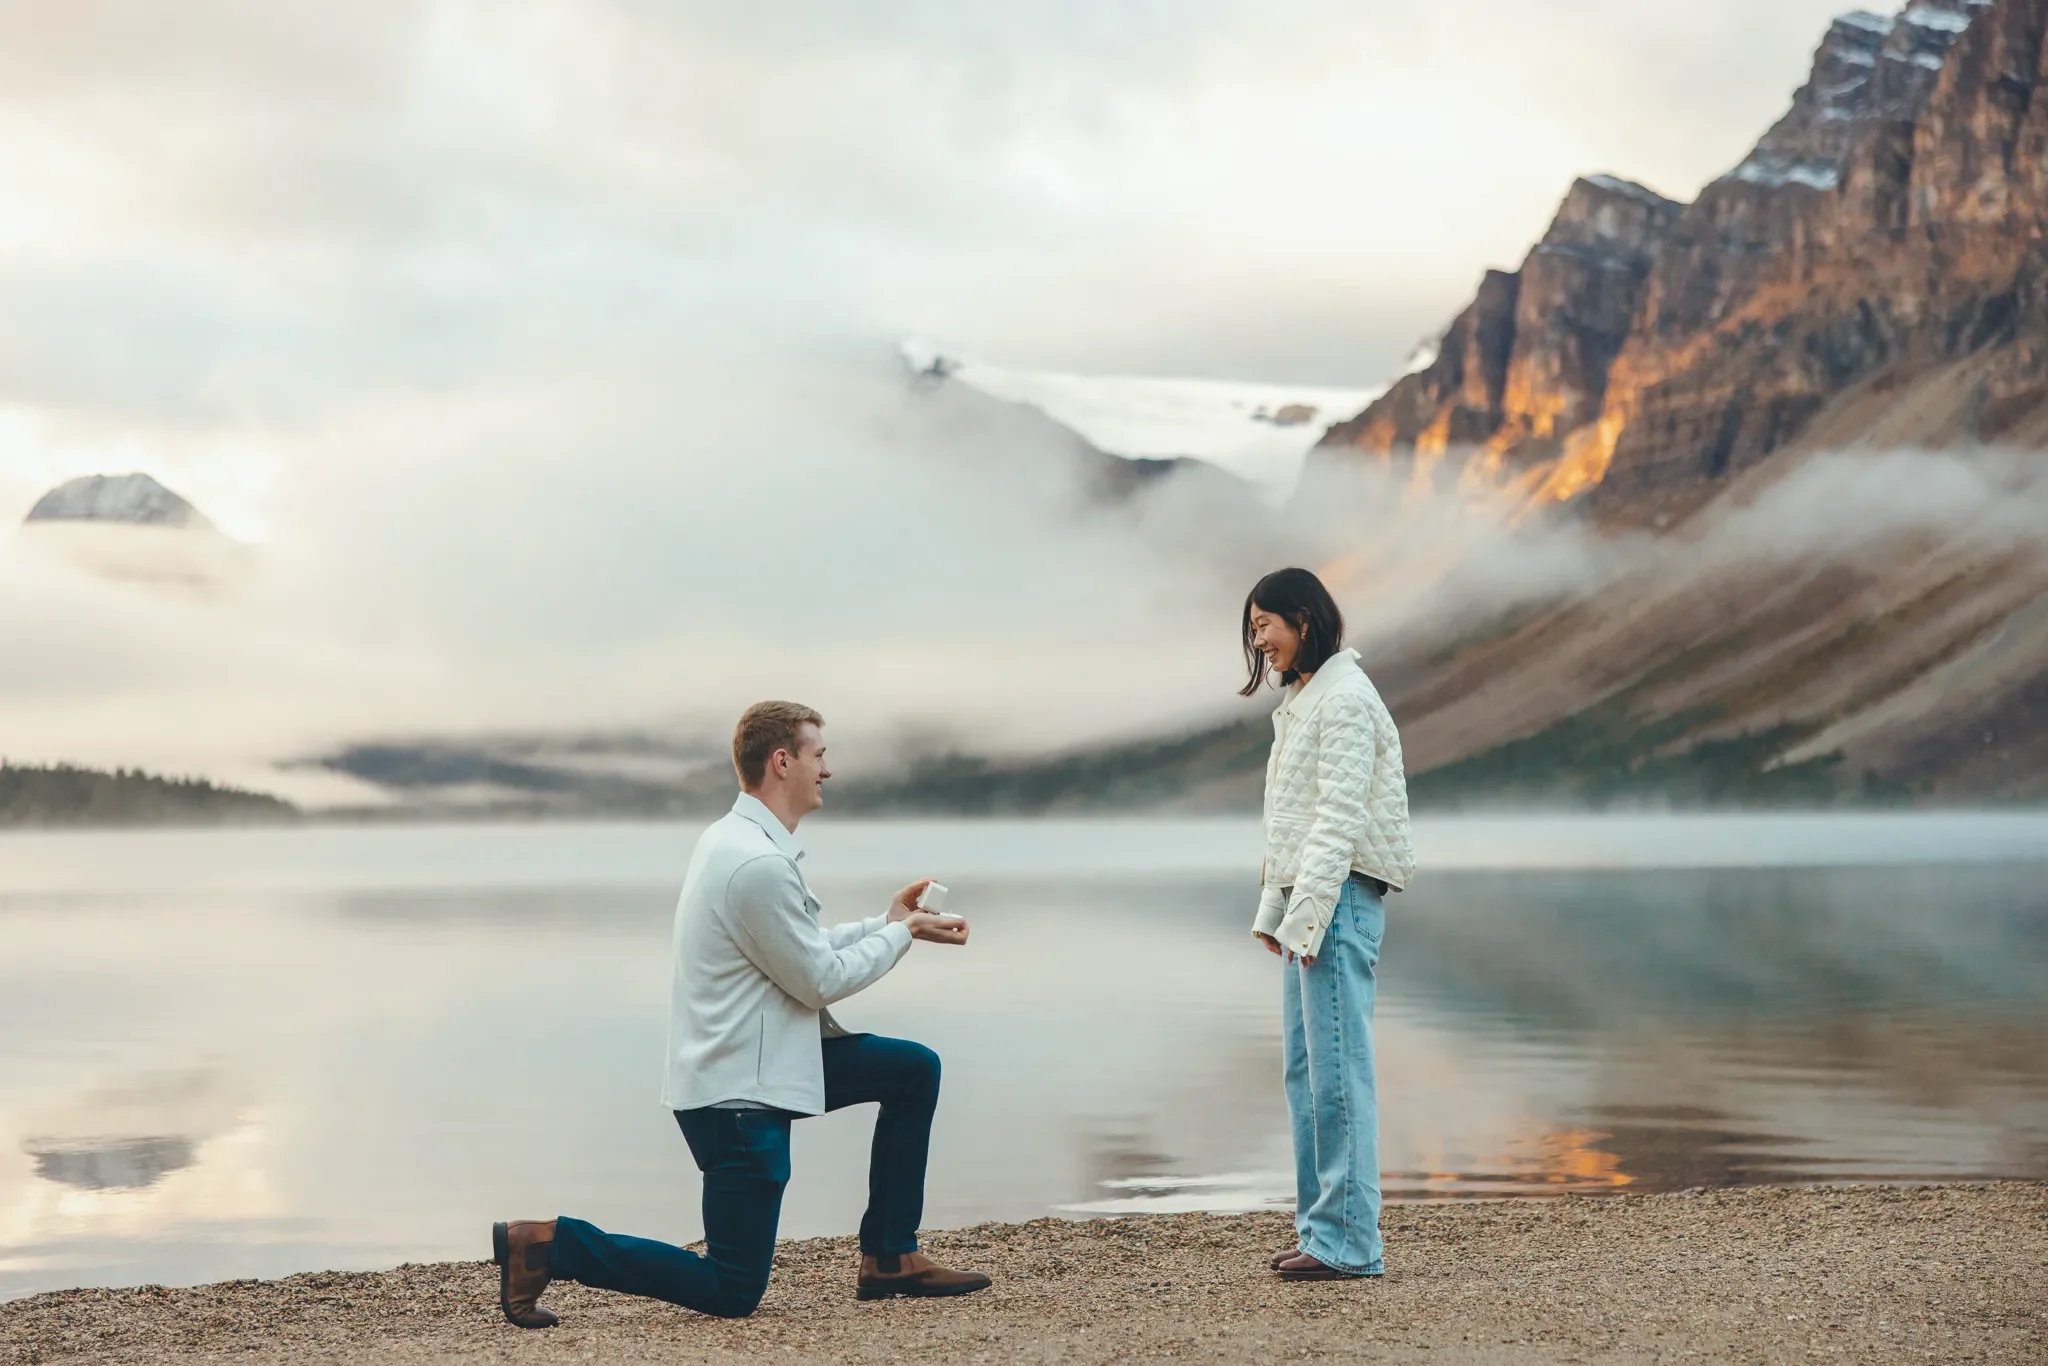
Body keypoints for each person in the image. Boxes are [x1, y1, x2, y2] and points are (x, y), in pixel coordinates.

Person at [491, 701, 992, 1328]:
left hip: (770, 1061)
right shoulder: (754, 863)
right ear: (781, 761)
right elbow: (818, 980)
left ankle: (890, 1254)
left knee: (912, 1070)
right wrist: (904, 935)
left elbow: (795, 948)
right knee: (731, 1288)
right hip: (736, 1096)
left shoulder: (739, 841)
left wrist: (889, 924)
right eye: (819, 756)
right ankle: (546, 1245)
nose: (826, 771)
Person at [1242, 568, 1414, 1281]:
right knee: (1307, 1073)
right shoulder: (1309, 699)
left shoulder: (1343, 699)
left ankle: (1349, 1243)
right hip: (1312, 905)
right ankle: (1323, 1230)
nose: (1259, 641)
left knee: (1338, 1074)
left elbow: (1337, 820)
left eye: (1265, 625)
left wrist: (1305, 920)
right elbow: (1291, 825)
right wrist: (1275, 915)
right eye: (1252, 629)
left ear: (1303, 620)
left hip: (1336, 902)